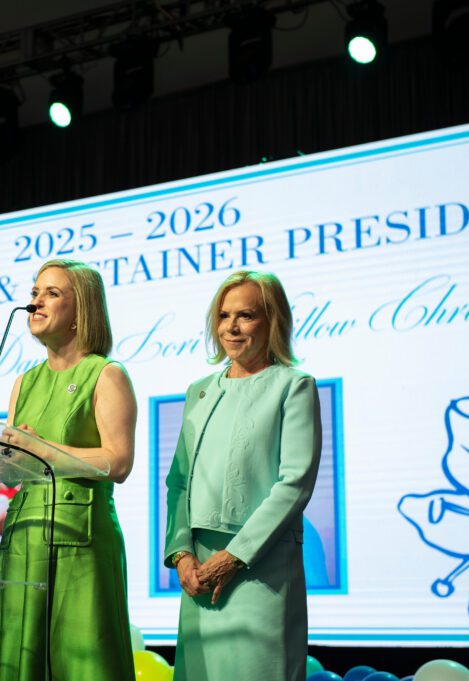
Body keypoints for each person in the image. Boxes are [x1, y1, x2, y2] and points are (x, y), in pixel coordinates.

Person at [0, 258, 137, 681]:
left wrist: (39, 447)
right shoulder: (23, 383)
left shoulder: (105, 373)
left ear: (81, 310)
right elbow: (11, 474)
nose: (36, 302)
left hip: (80, 540)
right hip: (23, 538)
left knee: (83, 662)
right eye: (34, 293)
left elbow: (118, 462)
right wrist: (6, 459)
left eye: (51, 293)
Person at [163, 270, 322, 681]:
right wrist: (181, 554)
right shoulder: (199, 390)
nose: (231, 327)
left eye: (246, 315)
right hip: (198, 570)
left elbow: (295, 483)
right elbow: (179, 481)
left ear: (273, 321)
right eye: (223, 315)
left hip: (259, 569)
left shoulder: (293, 386)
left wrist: (234, 558)